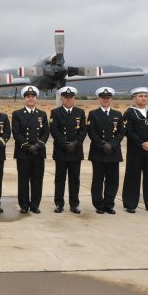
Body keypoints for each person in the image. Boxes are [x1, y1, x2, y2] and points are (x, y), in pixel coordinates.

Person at [121, 87, 148, 213]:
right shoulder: (129, 113)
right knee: (132, 176)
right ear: (134, 98)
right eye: (140, 96)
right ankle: (130, 204)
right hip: (135, 150)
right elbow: (128, 131)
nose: (143, 98)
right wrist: (141, 143)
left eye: (145, 96)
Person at [87, 87, 125, 214]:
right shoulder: (93, 114)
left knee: (112, 180)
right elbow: (91, 132)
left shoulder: (117, 115)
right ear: (99, 99)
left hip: (113, 152)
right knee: (98, 180)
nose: (105, 100)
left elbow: (121, 132)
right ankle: (99, 205)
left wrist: (112, 145)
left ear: (111, 99)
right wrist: (102, 144)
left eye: (108, 98)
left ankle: (109, 204)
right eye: (103, 98)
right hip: (98, 152)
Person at [49, 86, 87, 214]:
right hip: (61, 150)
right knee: (60, 179)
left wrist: (75, 143)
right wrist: (65, 144)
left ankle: (74, 204)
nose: (69, 99)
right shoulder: (55, 112)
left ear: (74, 98)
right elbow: (54, 131)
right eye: (66, 97)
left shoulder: (80, 113)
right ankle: (59, 204)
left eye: (71, 97)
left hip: (75, 151)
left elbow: (83, 131)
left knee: (75, 179)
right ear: (62, 98)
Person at [12, 85, 49, 214]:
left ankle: (34, 205)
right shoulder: (17, 114)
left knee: (37, 180)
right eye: (28, 97)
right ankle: (23, 205)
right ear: (24, 98)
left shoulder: (42, 114)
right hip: (23, 153)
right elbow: (16, 133)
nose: (30, 98)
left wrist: (38, 145)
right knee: (23, 180)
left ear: (36, 98)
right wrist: (28, 146)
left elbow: (46, 132)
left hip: (38, 152)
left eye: (33, 96)